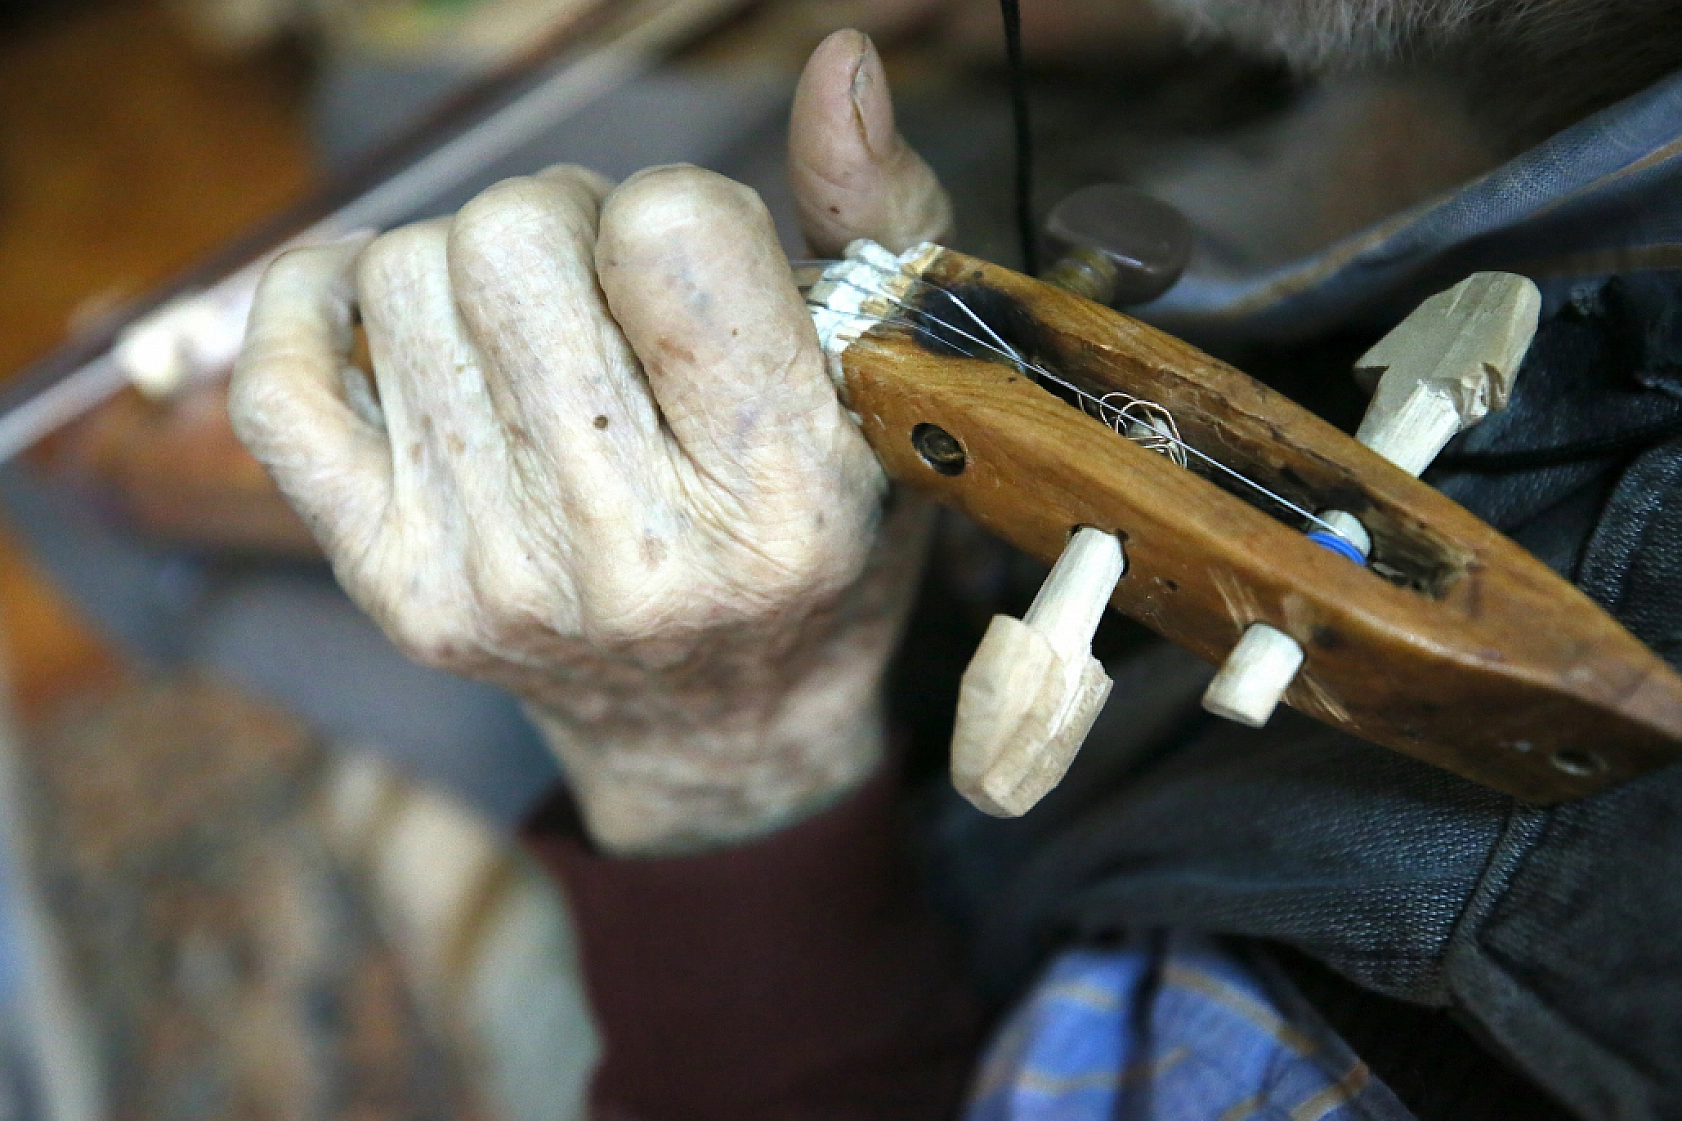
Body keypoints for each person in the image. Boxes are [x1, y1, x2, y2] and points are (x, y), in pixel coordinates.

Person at [229, 2, 1682, 1117]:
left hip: (898, 878)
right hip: (1167, 252)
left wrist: (715, 760)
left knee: (153, 536)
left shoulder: (1520, 997)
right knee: (377, 104)